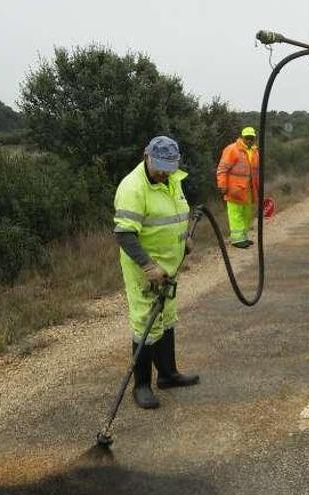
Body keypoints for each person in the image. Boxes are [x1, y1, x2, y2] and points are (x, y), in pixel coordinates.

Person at [113, 136, 200, 409]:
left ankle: (168, 374)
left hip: (169, 268)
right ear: (146, 156)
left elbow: (175, 214)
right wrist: (148, 266)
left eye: (168, 167)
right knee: (145, 324)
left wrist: (184, 237)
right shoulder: (133, 187)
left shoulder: (172, 180)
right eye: (159, 166)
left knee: (167, 318)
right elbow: (125, 234)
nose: (163, 172)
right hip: (145, 270)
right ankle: (141, 386)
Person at [217, 126, 261, 248]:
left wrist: (258, 188)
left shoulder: (255, 152)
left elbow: (256, 173)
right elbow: (222, 169)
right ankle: (237, 240)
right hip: (234, 191)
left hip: (249, 191)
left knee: (247, 215)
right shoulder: (232, 150)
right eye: (247, 138)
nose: (249, 140)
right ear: (242, 137)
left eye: (252, 138)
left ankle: (243, 237)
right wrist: (222, 185)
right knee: (235, 215)